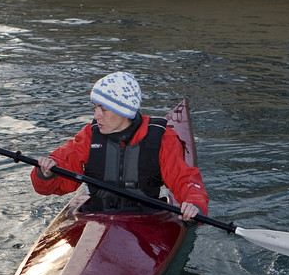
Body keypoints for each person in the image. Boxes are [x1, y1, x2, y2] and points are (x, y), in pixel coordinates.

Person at [32, 72, 207, 221]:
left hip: (146, 219)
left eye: (103, 109)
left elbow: (185, 179)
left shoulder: (163, 138)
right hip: (97, 216)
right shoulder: (89, 136)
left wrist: (193, 204)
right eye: (95, 108)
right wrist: (45, 173)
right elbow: (63, 167)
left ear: (123, 111)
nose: (96, 116)